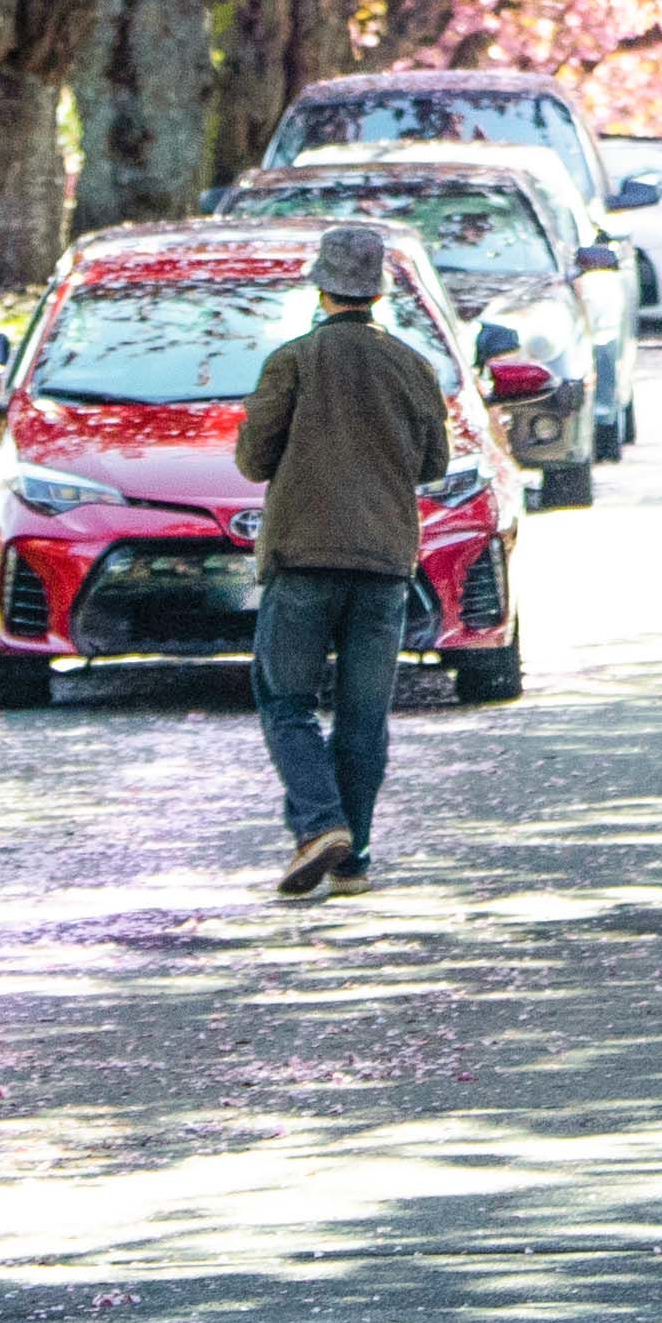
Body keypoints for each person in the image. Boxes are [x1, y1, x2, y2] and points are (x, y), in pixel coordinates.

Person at [233, 218, 451, 900]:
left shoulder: (292, 361)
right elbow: (434, 463)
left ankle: (321, 824)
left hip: (302, 557)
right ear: (379, 293)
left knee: (285, 699)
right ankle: (352, 857)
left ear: (321, 288)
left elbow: (251, 459)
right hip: (384, 562)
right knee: (363, 715)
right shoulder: (414, 366)